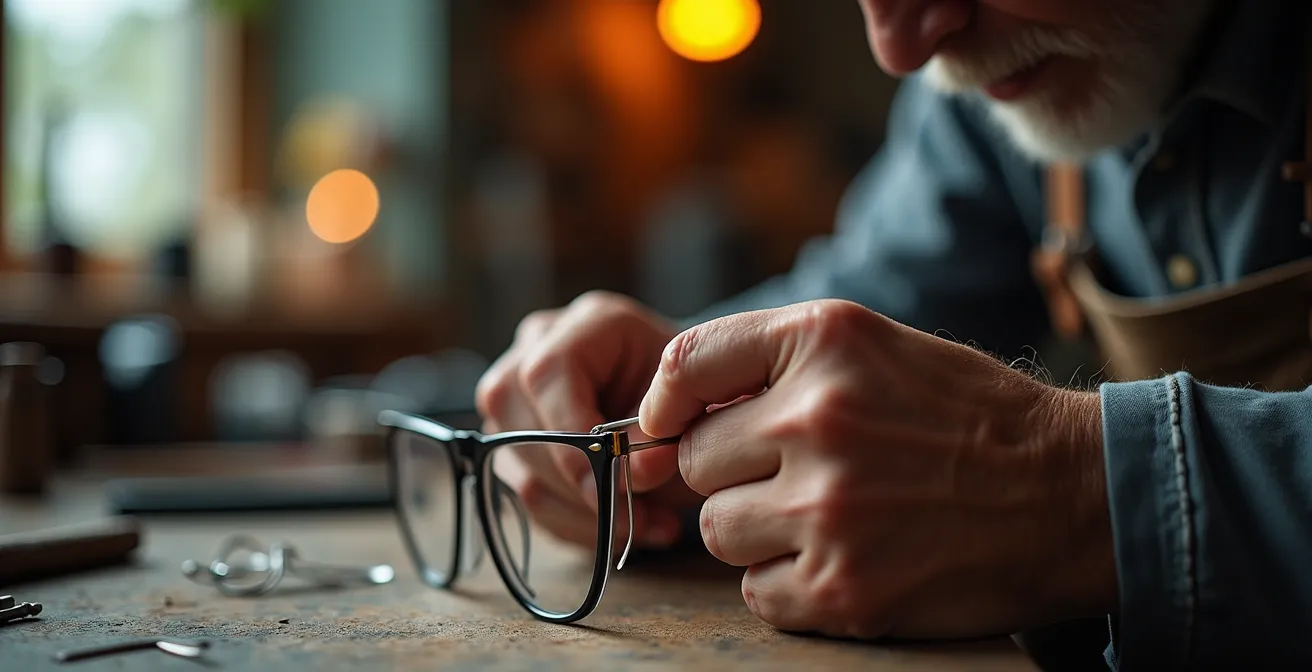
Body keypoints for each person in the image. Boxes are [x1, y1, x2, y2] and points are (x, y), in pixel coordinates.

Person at [474, 0, 1312, 668]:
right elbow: (872, 300)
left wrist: (1080, 491)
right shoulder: (994, 85)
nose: (902, 49)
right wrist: (673, 386)